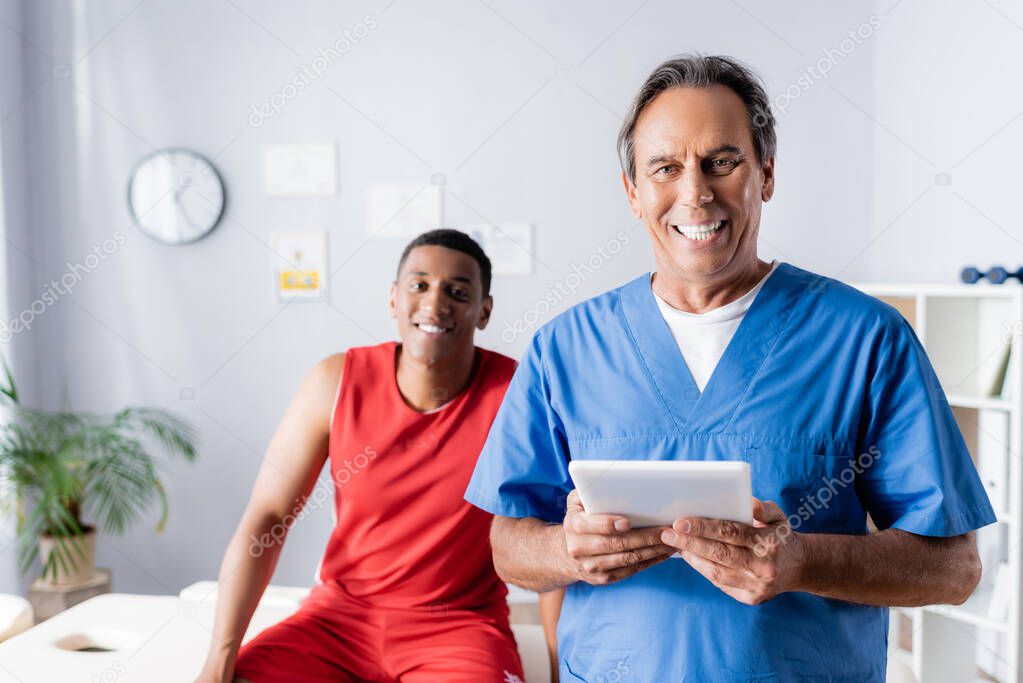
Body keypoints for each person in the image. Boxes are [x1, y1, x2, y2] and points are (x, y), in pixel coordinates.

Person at [465, 54, 993, 681]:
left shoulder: (866, 339)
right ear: (633, 191)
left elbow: (954, 568)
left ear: (765, 174)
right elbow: (507, 547)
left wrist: (802, 561)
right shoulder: (566, 348)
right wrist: (564, 549)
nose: (696, 192)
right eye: (666, 168)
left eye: (723, 162)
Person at [195, 229, 525, 683]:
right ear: (394, 299)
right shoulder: (335, 381)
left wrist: (557, 666)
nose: (434, 303)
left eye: (457, 291)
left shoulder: (516, 396)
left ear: (483, 310)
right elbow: (269, 517)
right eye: (419, 284)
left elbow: (549, 531)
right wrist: (219, 660)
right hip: (339, 620)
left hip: (459, 626)